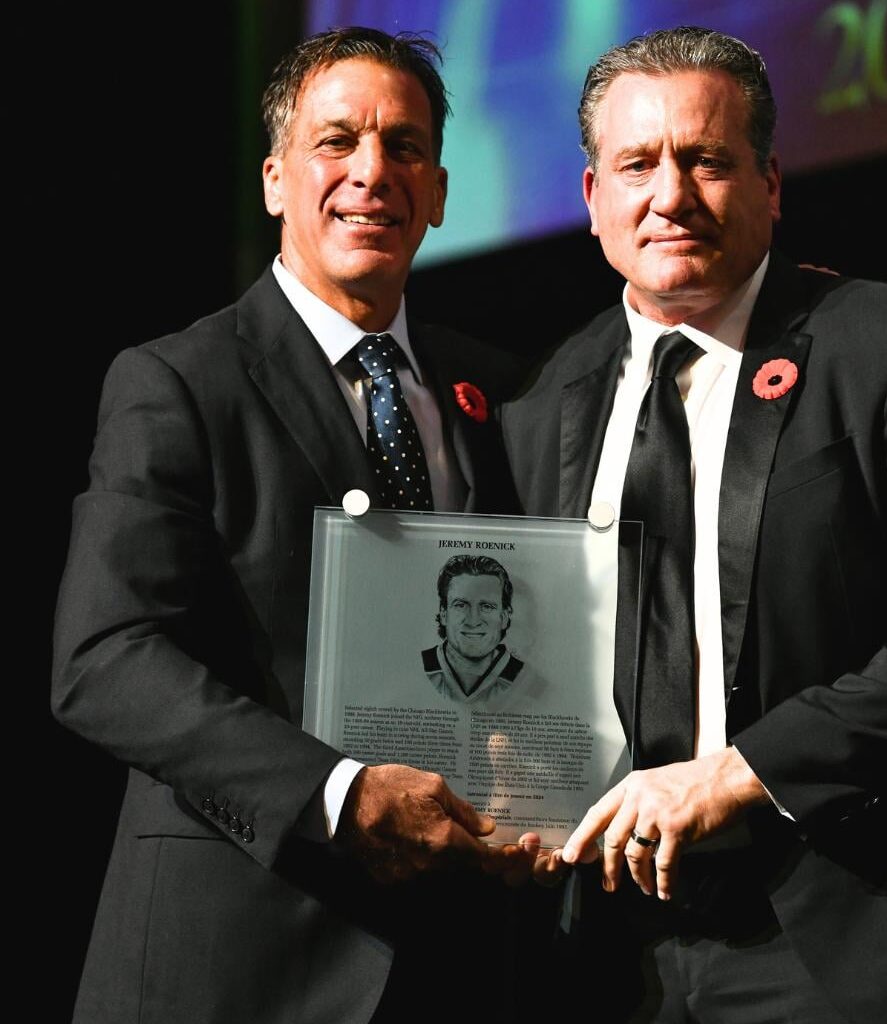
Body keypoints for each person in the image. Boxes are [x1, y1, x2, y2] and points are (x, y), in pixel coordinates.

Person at [502, 26, 887, 1024]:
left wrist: (742, 774)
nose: (670, 195)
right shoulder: (540, 406)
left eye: (706, 159)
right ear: (592, 202)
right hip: (611, 956)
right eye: (637, 165)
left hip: (845, 931)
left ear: (770, 183)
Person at [52, 26, 535, 1024]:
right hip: (233, 962)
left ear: (440, 193)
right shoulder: (177, 381)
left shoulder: (496, 387)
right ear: (275, 179)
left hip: (453, 967)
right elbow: (103, 657)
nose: (372, 171)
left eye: (404, 147)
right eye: (337, 140)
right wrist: (340, 794)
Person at [422, 554, 526, 702]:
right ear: (444, 614)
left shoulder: (525, 678)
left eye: (487, 607)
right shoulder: (416, 668)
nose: (473, 621)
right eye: (460, 605)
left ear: (504, 617)